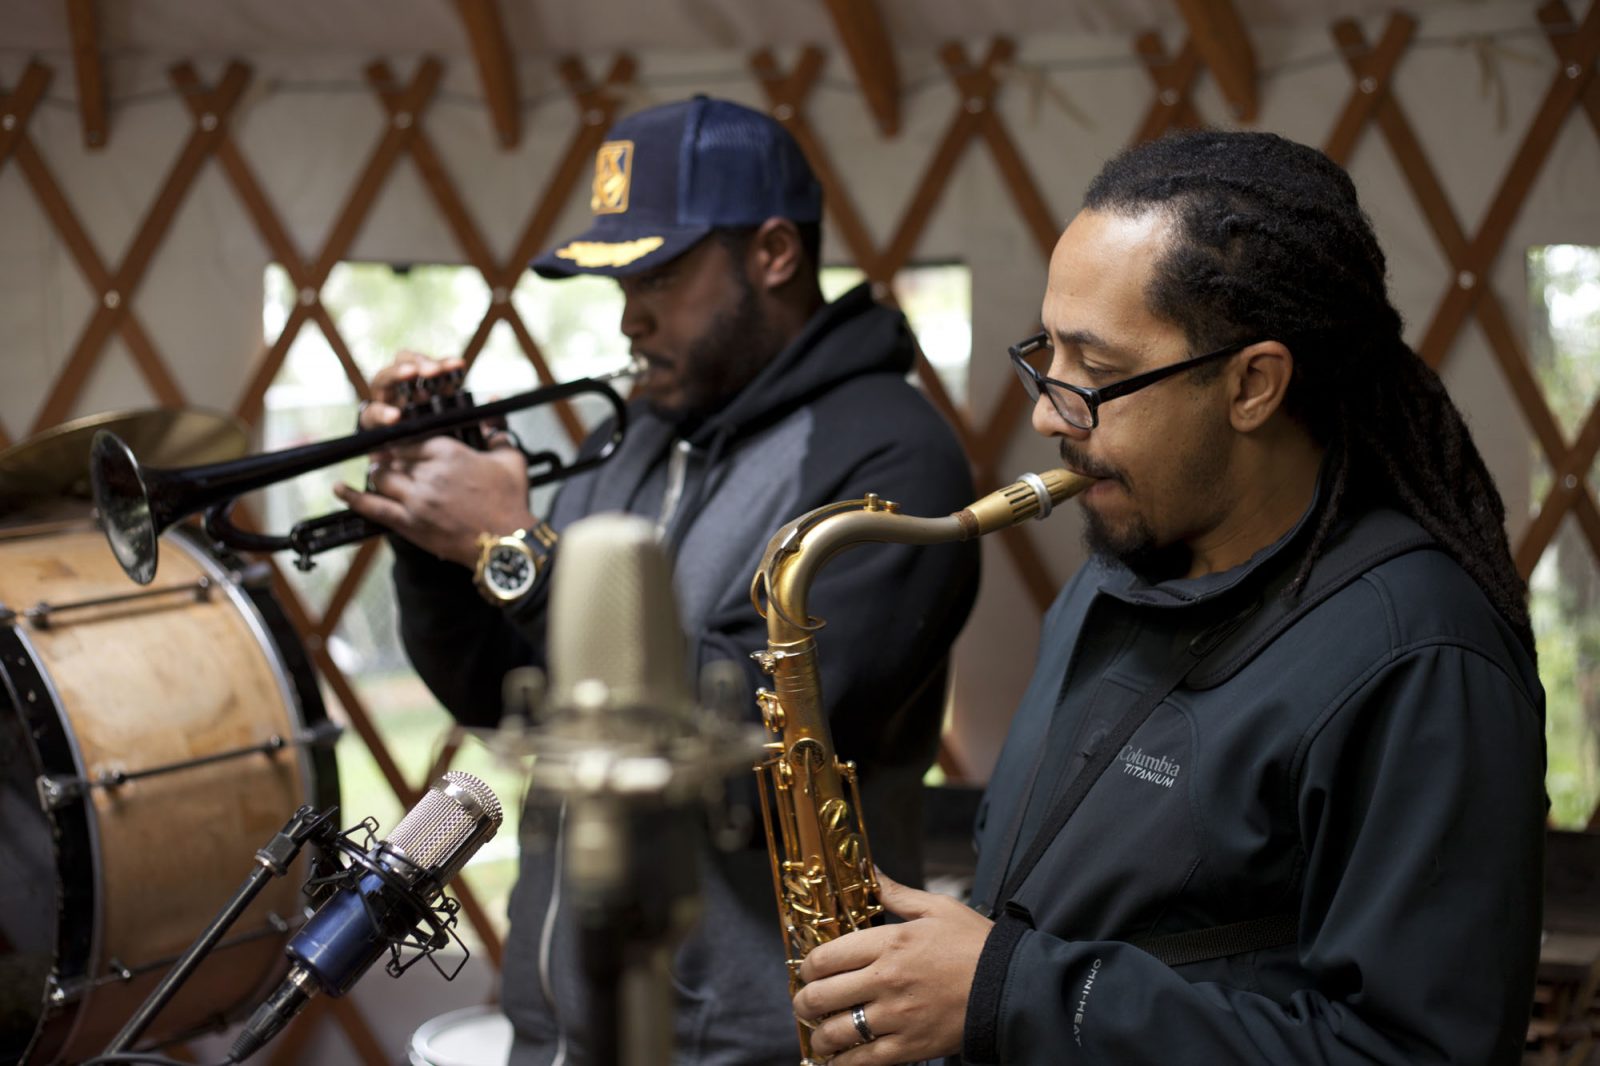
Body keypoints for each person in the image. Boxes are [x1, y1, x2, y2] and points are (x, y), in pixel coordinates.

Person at [789, 130, 1547, 1065]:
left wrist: (1005, 989)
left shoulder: (1421, 655)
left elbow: (1415, 1053)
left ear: (1253, 384)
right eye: (1049, 354)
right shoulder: (1113, 573)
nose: (1044, 411)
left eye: (1097, 374)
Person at [332, 95, 980, 1065]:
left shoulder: (890, 455)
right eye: (618, 282)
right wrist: (438, 546)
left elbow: (750, 724)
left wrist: (511, 547)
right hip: (560, 1029)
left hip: (755, 1039)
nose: (629, 315)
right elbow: (498, 692)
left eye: (662, 275)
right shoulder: (630, 434)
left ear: (772, 253)